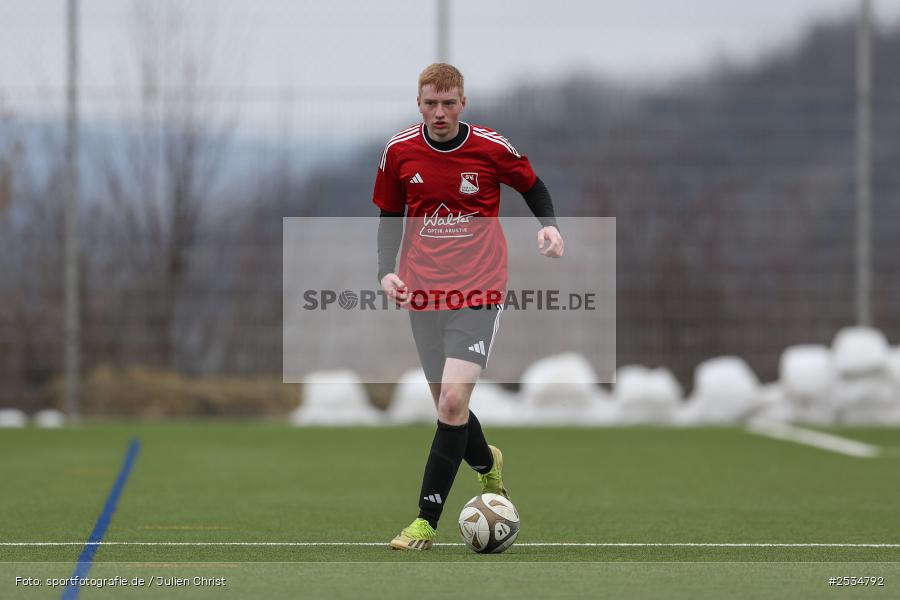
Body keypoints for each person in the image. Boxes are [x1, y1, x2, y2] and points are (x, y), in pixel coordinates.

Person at [372, 63, 564, 551]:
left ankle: (424, 523)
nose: (439, 112)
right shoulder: (398, 152)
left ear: (463, 104)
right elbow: (390, 216)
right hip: (422, 293)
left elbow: (533, 185)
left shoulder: (491, 148)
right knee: (447, 404)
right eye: (430, 103)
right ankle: (487, 464)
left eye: (449, 103)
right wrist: (384, 270)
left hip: (479, 291)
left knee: (453, 402)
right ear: (418, 103)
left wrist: (549, 225)